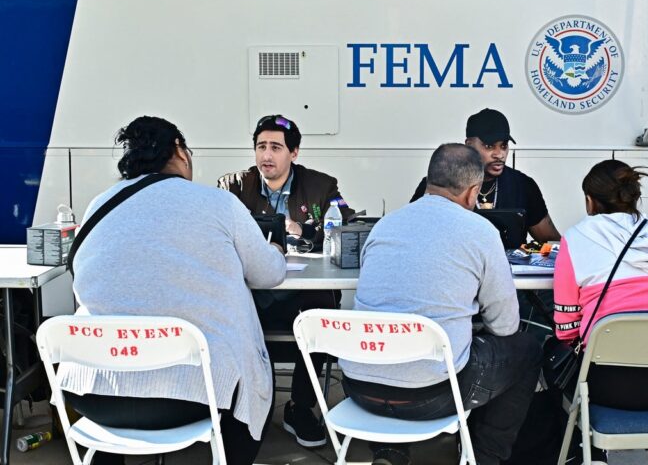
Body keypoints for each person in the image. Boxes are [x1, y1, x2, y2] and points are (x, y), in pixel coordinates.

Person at [58, 116, 287, 465]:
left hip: (93, 390)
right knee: (257, 375)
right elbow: (268, 274)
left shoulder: (98, 205)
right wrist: (278, 252)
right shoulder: (218, 203)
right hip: (190, 396)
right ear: (179, 150)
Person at [340, 143, 542, 465]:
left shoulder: (383, 227)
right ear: (472, 192)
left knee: (404, 354)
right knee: (527, 349)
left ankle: (389, 452)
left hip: (360, 389)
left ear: (429, 180)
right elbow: (505, 326)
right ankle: (485, 458)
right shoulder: (480, 231)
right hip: (432, 395)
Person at [217, 114, 355, 448]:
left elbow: (348, 226)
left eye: (276, 147)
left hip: (303, 292)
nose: (266, 155)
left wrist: (304, 230)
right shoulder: (232, 186)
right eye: (261, 146)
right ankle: (239, 405)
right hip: (252, 290)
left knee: (323, 310)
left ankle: (300, 406)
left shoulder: (322, 186)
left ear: (294, 152)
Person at [554, 159, 648, 465]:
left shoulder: (577, 238)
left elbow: (566, 329)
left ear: (590, 202)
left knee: (556, 359)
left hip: (613, 385)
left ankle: (592, 454)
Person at [410, 108, 560, 243]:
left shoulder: (523, 185)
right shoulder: (439, 183)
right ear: (468, 144)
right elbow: (414, 233)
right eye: (489, 146)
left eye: (504, 145)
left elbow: (552, 242)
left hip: (509, 273)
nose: (499, 154)